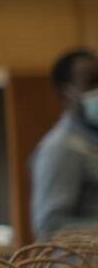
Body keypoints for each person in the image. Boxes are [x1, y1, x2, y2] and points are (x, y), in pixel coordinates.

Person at [31, 47, 98, 239]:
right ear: (65, 93)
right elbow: (50, 227)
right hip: (79, 267)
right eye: (92, 82)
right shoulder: (60, 147)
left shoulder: (91, 140)